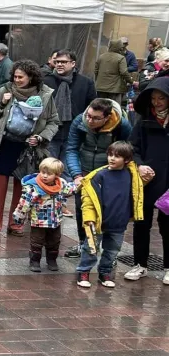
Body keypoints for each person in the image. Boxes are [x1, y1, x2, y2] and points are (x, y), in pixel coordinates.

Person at [0, 60, 60, 237]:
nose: (16, 80)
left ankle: (16, 224)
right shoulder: (5, 90)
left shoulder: (45, 95)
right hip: (4, 144)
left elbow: (54, 121)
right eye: (15, 76)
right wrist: (1, 104)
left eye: (21, 77)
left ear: (31, 77)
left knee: (23, 189)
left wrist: (40, 137)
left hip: (28, 149)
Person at [62, 98, 132, 258]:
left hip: (110, 173)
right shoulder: (80, 121)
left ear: (107, 117)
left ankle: (109, 253)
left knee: (110, 210)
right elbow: (72, 148)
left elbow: (128, 150)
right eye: (88, 115)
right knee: (82, 209)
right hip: (85, 171)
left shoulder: (121, 125)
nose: (89, 120)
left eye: (95, 118)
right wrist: (77, 175)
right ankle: (83, 243)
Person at [75, 141, 143, 288]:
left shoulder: (132, 175)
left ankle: (105, 272)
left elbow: (138, 190)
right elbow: (88, 201)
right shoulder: (100, 175)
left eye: (117, 156)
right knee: (91, 248)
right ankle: (83, 272)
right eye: (110, 155)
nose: (112, 158)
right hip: (99, 221)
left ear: (126, 160)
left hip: (119, 222)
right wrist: (89, 219)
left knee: (112, 251)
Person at [125, 78, 169, 284]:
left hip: (168, 180)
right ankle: (139, 264)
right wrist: (140, 165)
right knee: (142, 222)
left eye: (161, 98)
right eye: (153, 98)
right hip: (146, 179)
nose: (157, 103)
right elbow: (133, 148)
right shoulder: (144, 121)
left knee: (167, 223)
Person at [12, 157, 79, 273]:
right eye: (43, 172)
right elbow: (24, 203)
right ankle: (35, 260)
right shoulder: (34, 187)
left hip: (55, 221)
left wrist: (79, 185)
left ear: (57, 175)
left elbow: (69, 190)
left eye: (49, 174)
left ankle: (52, 259)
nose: (44, 176)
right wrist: (19, 217)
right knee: (37, 241)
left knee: (55, 241)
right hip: (39, 221)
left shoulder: (60, 184)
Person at [44, 49, 96, 159]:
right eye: (57, 62)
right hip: (51, 133)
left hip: (74, 133)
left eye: (63, 62)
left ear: (73, 64)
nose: (59, 64)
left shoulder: (85, 83)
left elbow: (92, 106)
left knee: (67, 172)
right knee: (48, 169)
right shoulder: (46, 81)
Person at [94, 39, 132, 103]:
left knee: (100, 108)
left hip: (101, 88)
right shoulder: (121, 58)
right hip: (115, 89)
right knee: (114, 108)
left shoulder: (101, 57)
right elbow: (124, 72)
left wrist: (98, 82)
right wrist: (130, 81)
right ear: (119, 47)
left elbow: (96, 71)